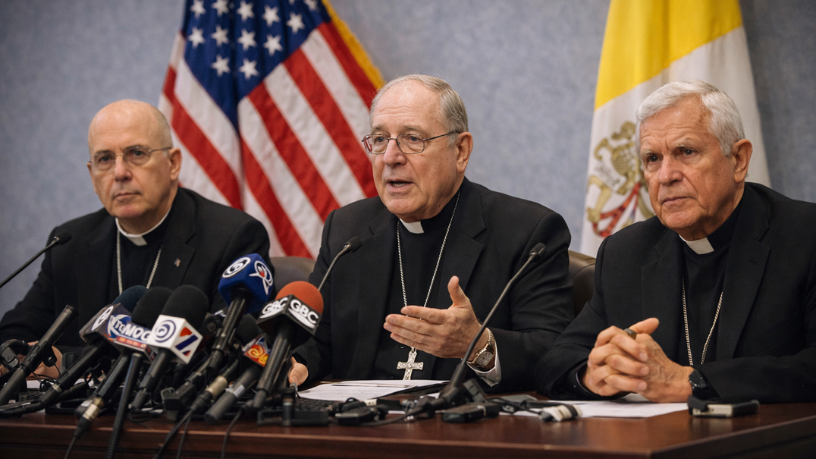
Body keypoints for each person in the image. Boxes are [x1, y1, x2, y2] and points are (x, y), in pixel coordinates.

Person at [536, 81, 816, 403]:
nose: (666, 175)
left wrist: (691, 383)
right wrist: (593, 375)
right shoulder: (627, 252)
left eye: (686, 152)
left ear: (739, 159)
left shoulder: (804, 236)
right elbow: (556, 360)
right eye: (653, 158)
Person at [290, 75, 573, 391]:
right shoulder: (347, 229)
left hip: (463, 418)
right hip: (358, 417)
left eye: (413, 139)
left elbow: (554, 356)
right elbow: (316, 340)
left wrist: (478, 346)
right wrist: (295, 364)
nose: (391, 157)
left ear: (460, 151)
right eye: (380, 139)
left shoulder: (527, 232)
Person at [0, 100, 271, 364]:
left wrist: (68, 362)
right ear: (92, 174)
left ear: (173, 164)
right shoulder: (69, 243)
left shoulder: (232, 238)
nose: (119, 173)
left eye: (137, 153)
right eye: (105, 159)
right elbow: (12, 337)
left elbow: (224, 356)